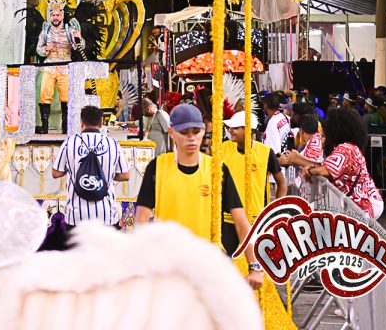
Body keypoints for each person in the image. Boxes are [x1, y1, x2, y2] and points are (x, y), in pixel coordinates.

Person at [133, 104, 264, 291]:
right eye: (184, 132)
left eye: (196, 131)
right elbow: (141, 219)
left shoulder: (217, 170)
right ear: (171, 132)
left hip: (207, 265)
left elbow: (241, 222)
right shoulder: (157, 167)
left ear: (203, 131)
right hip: (168, 266)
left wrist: (254, 266)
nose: (191, 138)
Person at [218, 112, 287, 252]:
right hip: (227, 219)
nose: (230, 130)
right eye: (230, 127)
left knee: (255, 262)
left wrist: (276, 210)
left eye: (236, 128)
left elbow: (281, 183)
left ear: (249, 130)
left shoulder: (266, 152)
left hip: (256, 220)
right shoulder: (222, 149)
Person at [52, 106, 129, 227]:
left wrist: (74, 168)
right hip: (106, 213)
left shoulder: (70, 142)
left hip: (77, 215)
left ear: (81, 123)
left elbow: (56, 173)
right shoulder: (112, 143)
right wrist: (104, 175)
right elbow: (125, 175)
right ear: (101, 123)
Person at [304, 107, 383, 220]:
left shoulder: (346, 148)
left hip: (363, 204)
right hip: (357, 201)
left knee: (309, 214)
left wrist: (309, 170)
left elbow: (325, 170)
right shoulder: (349, 147)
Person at [35, 0, 81, 135]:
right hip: (49, 66)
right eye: (53, 15)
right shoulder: (45, 32)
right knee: (44, 94)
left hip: (65, 67)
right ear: (50, 16)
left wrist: (79, 38)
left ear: (62, 16)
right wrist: (46, 49)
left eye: (58, 15)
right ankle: (45, 126)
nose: (55, 18)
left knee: (66, 96)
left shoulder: (70, 30)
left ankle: (66, 126)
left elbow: (81, 46)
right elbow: (38, 49)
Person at [278, 113, 322, 195]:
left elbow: (308, 168)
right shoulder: (315, 140)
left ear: (301, 131)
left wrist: (292, 160)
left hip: (311, 194)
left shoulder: (314, 144)